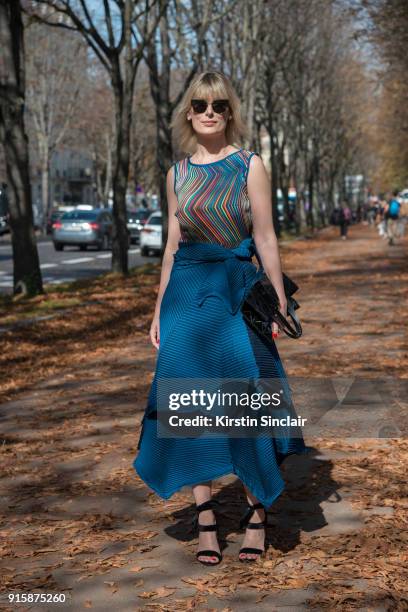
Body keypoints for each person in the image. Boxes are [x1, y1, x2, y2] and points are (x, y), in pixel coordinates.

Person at [133, 71, 309, 565]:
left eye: (220, 104)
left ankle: (257, 514)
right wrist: (157, 310)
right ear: (188, 113)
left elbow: (267, 238)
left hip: (236, 288)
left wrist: (277, 299)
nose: (210, 111)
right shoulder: (176, 174)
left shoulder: (251, 165)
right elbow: (171, 245)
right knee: (189, 405)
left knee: (249, 397)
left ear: (229, 113)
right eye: (200, 104)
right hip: (186, 295)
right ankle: (206, 519)